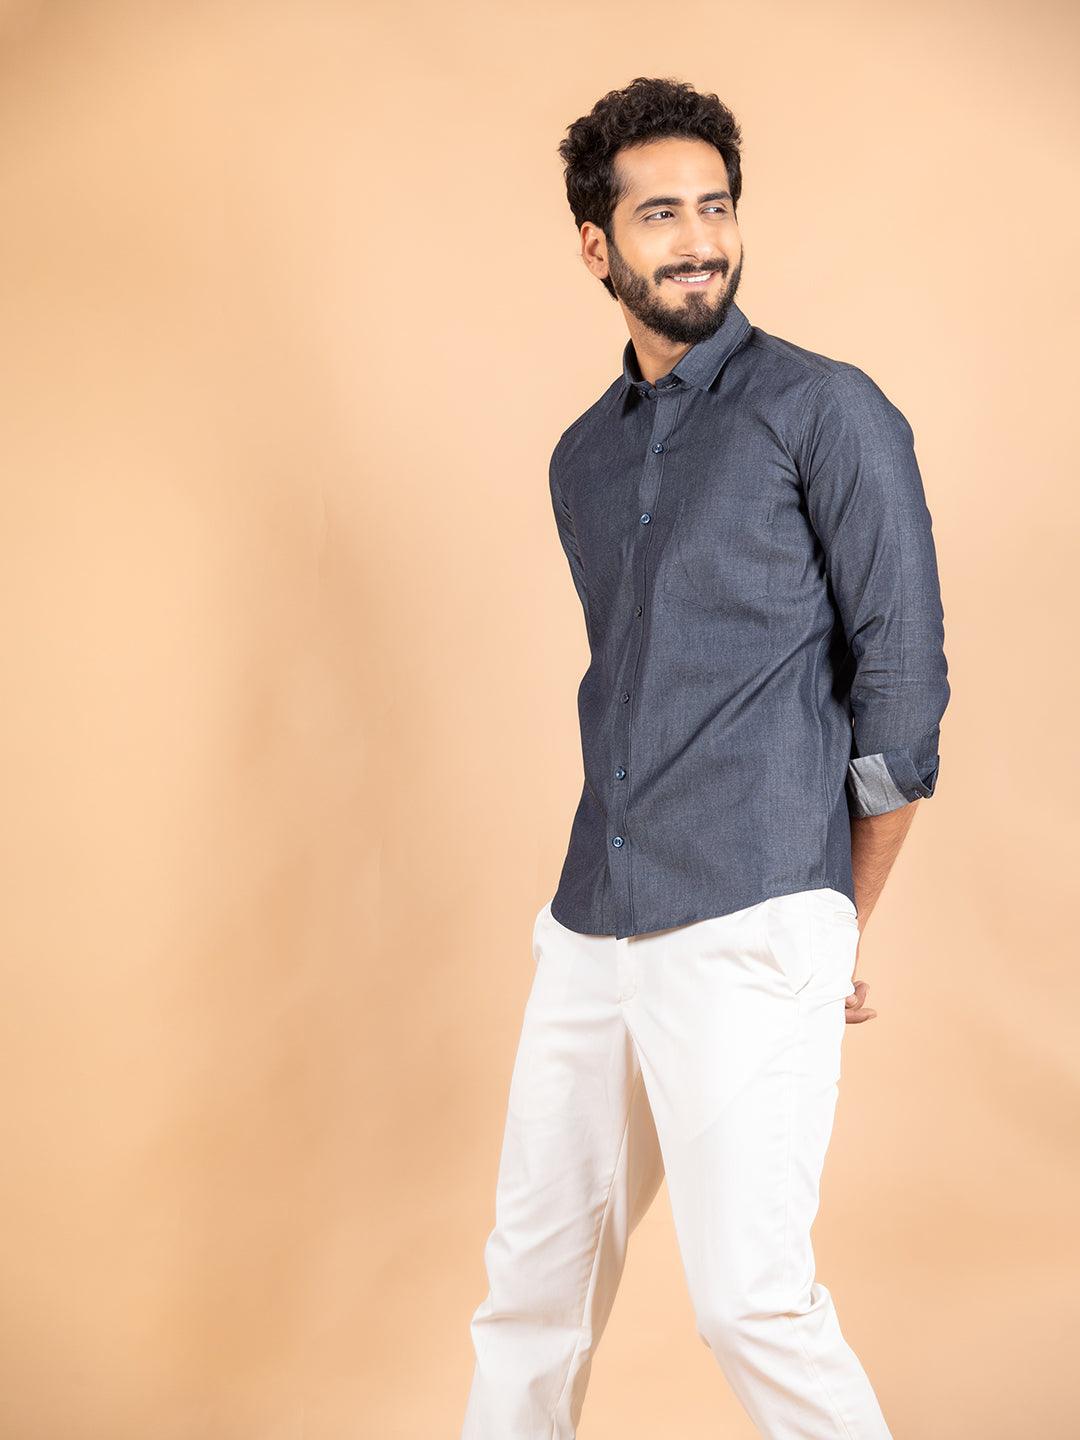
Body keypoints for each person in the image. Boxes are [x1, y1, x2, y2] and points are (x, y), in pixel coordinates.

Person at [461, 76, 949, 1439]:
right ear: (596, 245)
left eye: (716, 208)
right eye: (660, 214)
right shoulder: (583, 459)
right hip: (589, 925)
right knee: (529, 1298)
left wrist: (834, 915)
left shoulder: (827, 410)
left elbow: (903, 692)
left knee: (751, 1303)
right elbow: (636, 689)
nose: (698, 241)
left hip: (751, 911)